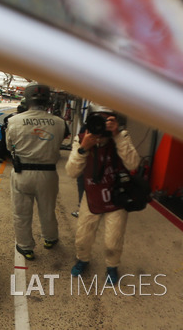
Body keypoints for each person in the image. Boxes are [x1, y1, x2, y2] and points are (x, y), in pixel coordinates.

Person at [65, 107, 140, 284]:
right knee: (83, 237)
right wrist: (83, 149)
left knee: (113, 241)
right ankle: (82, 259)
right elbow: (71, 172)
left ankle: (112, 266)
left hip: (117, 198)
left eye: (107, 121)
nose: (101, 126)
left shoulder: (120, 136)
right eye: (98, 120)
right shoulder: (83, 138)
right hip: (91, 197)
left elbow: (133, 164)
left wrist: (117, 136)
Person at [6, 83, 69, 260]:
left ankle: (26, 247)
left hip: (22, 173)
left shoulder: (14, 121)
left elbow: (9, 146)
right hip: (48, 174)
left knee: (21, 213)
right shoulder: (59, 122)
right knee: (48, 210)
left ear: (26, 100)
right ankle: (50, 239)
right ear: (48, 101)